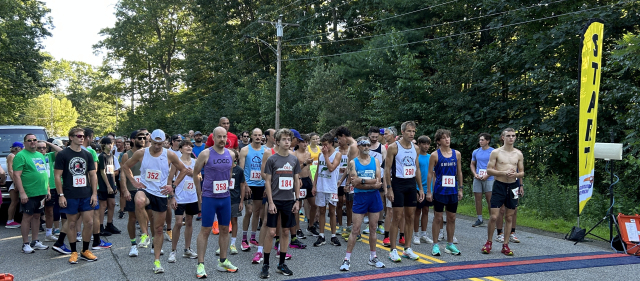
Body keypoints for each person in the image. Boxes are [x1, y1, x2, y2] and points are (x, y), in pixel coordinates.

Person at [122, 129, 188, 274]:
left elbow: (183, 170)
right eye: (155, 142)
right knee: (138, 201)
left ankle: (157, 262)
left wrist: (173, 186)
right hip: (145, 189)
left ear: (164, 142)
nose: (157, 146)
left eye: (160, 143)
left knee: (158, 229)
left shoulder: (169, 154)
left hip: (160, 193)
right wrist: (133, 181)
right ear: (150, 139)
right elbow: (125, 166)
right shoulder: (142, 153)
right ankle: (145, 234)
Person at [194, 126, 238, 278]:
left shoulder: (231, 154)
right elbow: (195, 173)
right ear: (213, 137)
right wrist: (199, 194)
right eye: (219, 136)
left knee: (225, 229)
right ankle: (200, 264)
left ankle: (223, 261)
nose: (222, 139)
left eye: (224, 136)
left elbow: (230, 173)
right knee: (205, 230)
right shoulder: (206, 153)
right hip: (209, 197)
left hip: (224, 197)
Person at [259, 128, 301, 278]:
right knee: (271, 232)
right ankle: (265, 264)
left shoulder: (294, 159)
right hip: (275, 200)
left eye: (289, 139)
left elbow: (296, 180)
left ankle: (281, 264)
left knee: (285, 231)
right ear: (277, 141)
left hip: (289, 201)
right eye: (283, 139)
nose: (287, 142)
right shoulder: (272, 159)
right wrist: (270, 202)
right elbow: (268, 181)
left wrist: (297, 200)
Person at [53, 128, 99, 264]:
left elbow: (92, 174)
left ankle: (85, 250)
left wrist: (94, 193)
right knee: (71, 223)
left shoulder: (88, 154)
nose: (82, 138)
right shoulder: (63, 154)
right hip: (70, 194)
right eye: (78, 136)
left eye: (83, 136)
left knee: (89, 222)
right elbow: (57, 176)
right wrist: (61, 195)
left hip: (86, 194)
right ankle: (73, 252)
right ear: (71, 137)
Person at [340, 137, 385, 271]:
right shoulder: (353, 163)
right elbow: (355, 182)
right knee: (355, 229)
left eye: (368, 145)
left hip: (374, 197)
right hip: (360, 198)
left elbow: (378, 182)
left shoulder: (375, 160)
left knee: (373, 228)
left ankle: (373, 256)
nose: (367, 147)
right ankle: (346, 259)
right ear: (358, 147)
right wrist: (369, 183)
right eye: (364, 145)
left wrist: (363, 181)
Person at [384, 121, 425, 262]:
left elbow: (417, 168)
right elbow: (387, 169)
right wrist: (389, 188)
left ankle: (407, 248)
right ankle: (393, 250)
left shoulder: (416, 148)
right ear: (402, 132)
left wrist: (420, 188)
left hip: (411, 184)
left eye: (413, 131)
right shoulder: (393, 147)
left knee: (410, 217)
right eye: (409, 131)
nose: (411, 134)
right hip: (398, 184)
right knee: (397, 217)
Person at [483, 128, 524, 256]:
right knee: (494, 216)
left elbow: (522, 172)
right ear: (503, 137)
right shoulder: (496, 152)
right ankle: (489, 242)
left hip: (513, 186)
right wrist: (502, 173)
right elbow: (489, 170)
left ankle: (505, 244)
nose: (511, 138)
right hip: (499, 185)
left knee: (509, 216)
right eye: (508, 136)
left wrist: (516, 175)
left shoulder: (518, 154)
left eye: (513, 135)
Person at [426, 129, 463, 256]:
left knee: (452, 218)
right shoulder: (434, 155)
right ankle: (435, 245)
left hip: (452, 190)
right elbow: (430, 174)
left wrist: (461, 189)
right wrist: (429, 192)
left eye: (448, 137)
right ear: (438, 141)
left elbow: (459, 172)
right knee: (438, 217)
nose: (447, 140)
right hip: (440, 191)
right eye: (444, 138)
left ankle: (450, 244)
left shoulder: (456, 154)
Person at [13, 134, 50, 253]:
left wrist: (47, 190)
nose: (33, 142)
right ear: (24, 143)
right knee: (27, 217)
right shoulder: (20, 156)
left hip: (41, 192)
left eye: (35, 140)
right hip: (29, 193)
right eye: (30, 140)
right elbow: (16, 175)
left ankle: (35, 241)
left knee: (37, 216)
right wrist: (22, 193)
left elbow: (44, 173)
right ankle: (25, 244)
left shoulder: (40, 155)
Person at [168, 140, 199, 263]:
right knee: (179, 223)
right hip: (179, 197)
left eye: (190, 146)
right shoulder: (176, 162)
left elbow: (200, 178)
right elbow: (169, 180)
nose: (189, 147)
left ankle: (187, 249)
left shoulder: (195, 162)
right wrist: (172, 197)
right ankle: (173, 251)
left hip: (192, 197)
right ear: (180, 149)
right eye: (186, 145)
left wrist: (194, 174)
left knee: (190, 222)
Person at [119, 130, 147, 257]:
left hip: (147, 189)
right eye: (139, 138)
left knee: (150, 215)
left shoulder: (148, 152)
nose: (142, 140)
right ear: (132, 140)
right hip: (132, 188)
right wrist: (124, 190)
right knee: (132, 217)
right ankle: (133, 245)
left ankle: (150, 243)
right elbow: (123, 173)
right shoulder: (127, 155)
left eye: (144, 138)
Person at [311, 133, 342, 247]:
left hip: (331, 187)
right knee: (322, 211)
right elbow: (318, 171)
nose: (324, 147)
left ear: (331, 143)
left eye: (326, 145)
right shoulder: (321, 154)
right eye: (322, 145)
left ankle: (333, 235)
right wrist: (314, 186)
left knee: (332, 211)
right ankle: (322, 235)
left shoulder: (337, 154)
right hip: (321, 186)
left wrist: (326, 156)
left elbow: (331, 168)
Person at [238, 128, 266, 254]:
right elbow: (241, 169)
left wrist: (267, 185)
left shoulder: (266, 151)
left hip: (261, 184)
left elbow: (267, 170)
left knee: (257, 211)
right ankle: (244, 238)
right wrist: (245, 184)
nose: (257, 137)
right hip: (249, 184)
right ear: (251, 136)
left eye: (259, 135)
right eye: (255, 135)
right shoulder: (245, 150)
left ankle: (253, 237)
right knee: (248, 211)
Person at [335, 127, 358, 237]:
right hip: (349, 178)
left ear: (344, 136)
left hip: (354, 179)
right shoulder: (351, 146)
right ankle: (344, 226)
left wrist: (347, 183)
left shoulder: (353, 146)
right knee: (340, 203)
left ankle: (352, 228)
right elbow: (349, 167)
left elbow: (352, 168)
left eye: (340, 138)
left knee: (351, 204)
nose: (339, 141)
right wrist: (341, 180)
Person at [97, 138, 121, 242]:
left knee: (112, 204)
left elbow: (112, 172)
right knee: (103, 206)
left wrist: (114, 184)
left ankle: (109, 224)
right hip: (103, 185)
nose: (110, 146)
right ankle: (100, 227)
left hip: (111, 183)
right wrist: (108, 185)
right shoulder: (102, 156)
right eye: (107, 144)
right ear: (103, 145)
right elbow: (102, 172)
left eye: (111, 144)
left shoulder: (111, 156)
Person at [293, 133, 316, 242]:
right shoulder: (294, 154)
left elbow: (309, 170)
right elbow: (295, 169)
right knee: (299, 205)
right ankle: (298, 229)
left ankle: (310, 226)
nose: (305, 144)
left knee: (314, 204)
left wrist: (312, 183)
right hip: (299, 180)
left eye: (306, 142)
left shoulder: (308, 153)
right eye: (303, 141)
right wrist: (305, 163)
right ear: (298, 143)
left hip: (307, 179)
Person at [40, 140, 63, 241]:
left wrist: (48, 143)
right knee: (39, 212)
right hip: (41, 187)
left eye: (44, 148)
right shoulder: (34, 156)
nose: (42, 150)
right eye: (39, 148)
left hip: (53, 186)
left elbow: (61, 151)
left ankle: (49, 234)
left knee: (51, 210)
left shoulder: (49, 156)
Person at [471, 133, 494, 227]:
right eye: (480, 140)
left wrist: (488, 175)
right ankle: (479, 219)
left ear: (487, 141)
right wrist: (475, 174)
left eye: (482, 140)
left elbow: (496, 166)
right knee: (478, 199)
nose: (480, 142)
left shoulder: (493, 151)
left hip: (489, 178)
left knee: (490, 199)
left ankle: (492, 219)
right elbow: (472, 164)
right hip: (478, 177)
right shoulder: (476, 151)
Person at [225, 148, 245, 255]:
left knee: (234, 221)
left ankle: (233, 244)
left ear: (236, 158)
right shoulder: (223, 169)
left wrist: (241, 201)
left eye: (233, 156)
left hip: (235, 200)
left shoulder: (239, 170)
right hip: (223, 199)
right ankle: (222, 244)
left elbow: (242, 187)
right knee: (223, 223)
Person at [413, 136, 434, 245]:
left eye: (428, 144)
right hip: (418, 188)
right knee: (417, 212)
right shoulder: (416, 156)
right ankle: (416, 235)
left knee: (426, 211)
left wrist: (432, 189)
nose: (426, 146)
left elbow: (433, 174)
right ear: (419, 144)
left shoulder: (431, 157)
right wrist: (417, 189)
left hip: (428, 189)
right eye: (424, 144)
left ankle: (424, 234)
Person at [5, 142, 23, 228]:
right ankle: (10, 221)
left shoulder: (15, 156)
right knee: (14, 201)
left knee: (16, 201)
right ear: (18, 148)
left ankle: (12, 220)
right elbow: (10, 170)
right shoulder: (11, 156)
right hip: (12, 180)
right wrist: (16, 182)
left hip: (14, 180)